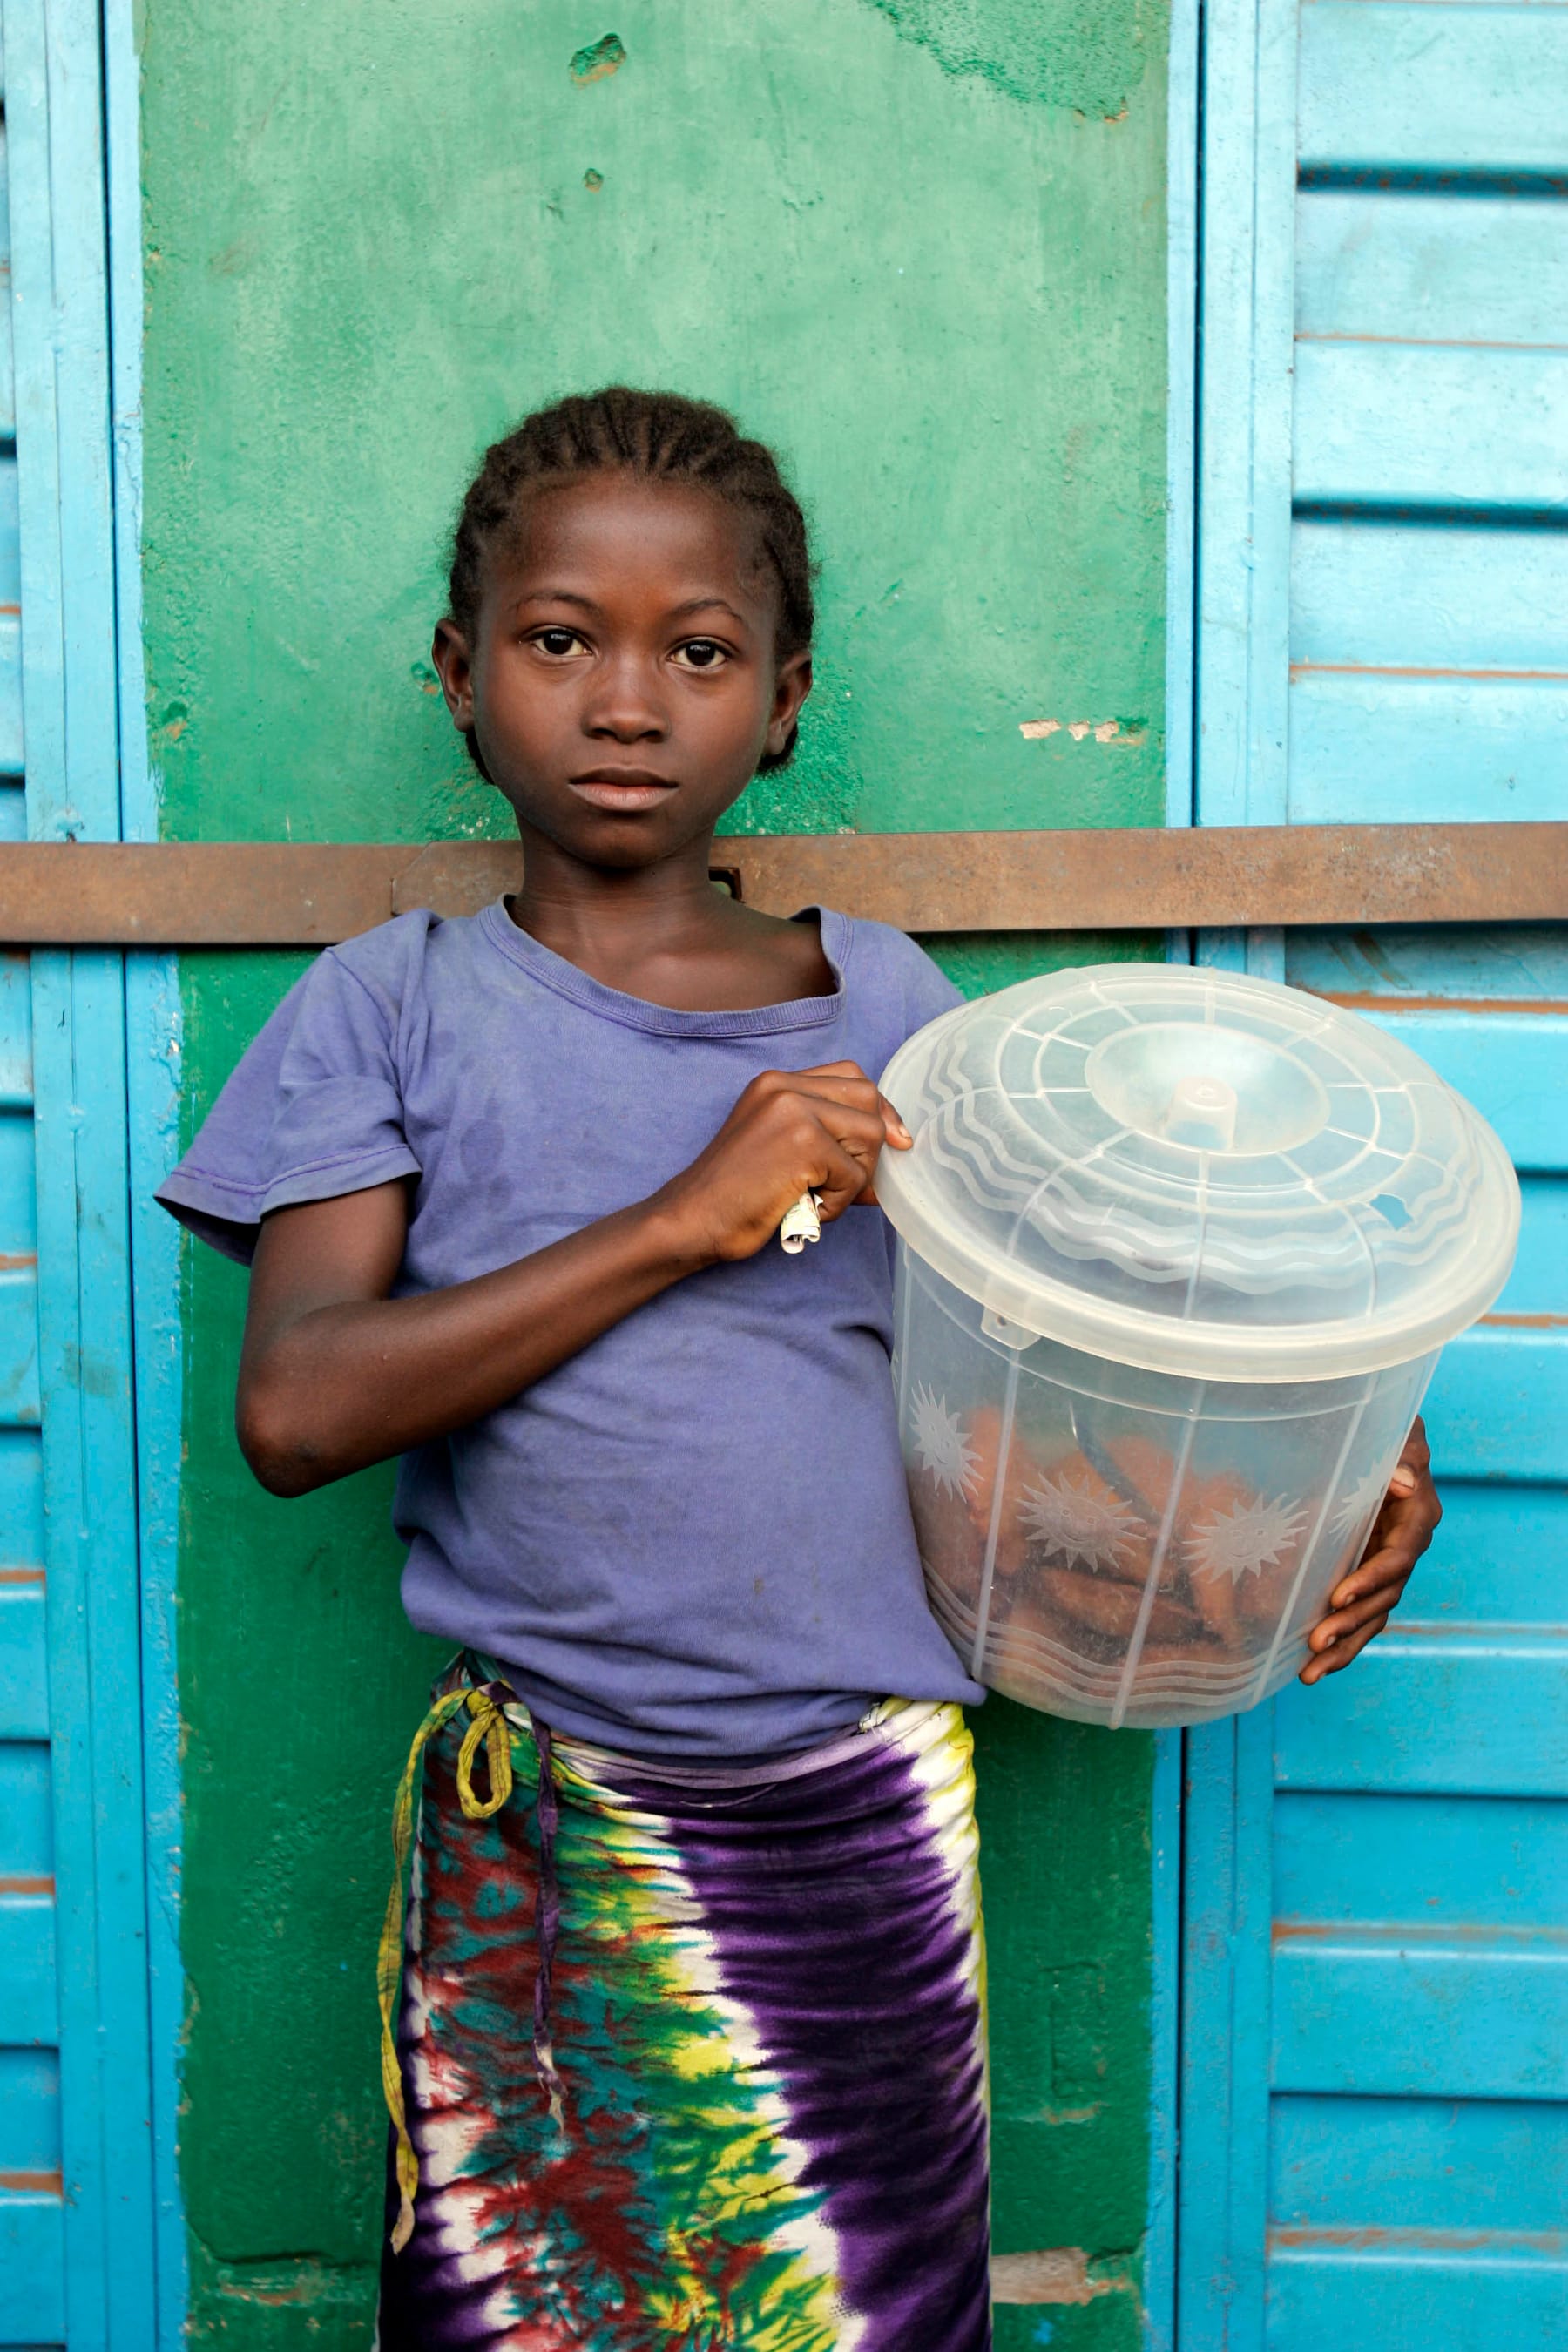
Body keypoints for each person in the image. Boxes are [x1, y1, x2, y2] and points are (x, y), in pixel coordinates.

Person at [157, 387, 1440, 2349]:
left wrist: (1340, 1465)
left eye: (699, 652)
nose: (623, 700)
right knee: (530, 2314)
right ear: (459, 673)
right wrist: (692, 1207)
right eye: (558, 637)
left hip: (857, 1825)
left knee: (858, 2315)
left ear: (783, 696)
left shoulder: (892, 1006)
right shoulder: (387, 1006)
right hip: (552, 1824)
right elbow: (298, 1410)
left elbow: (1126, 1323)